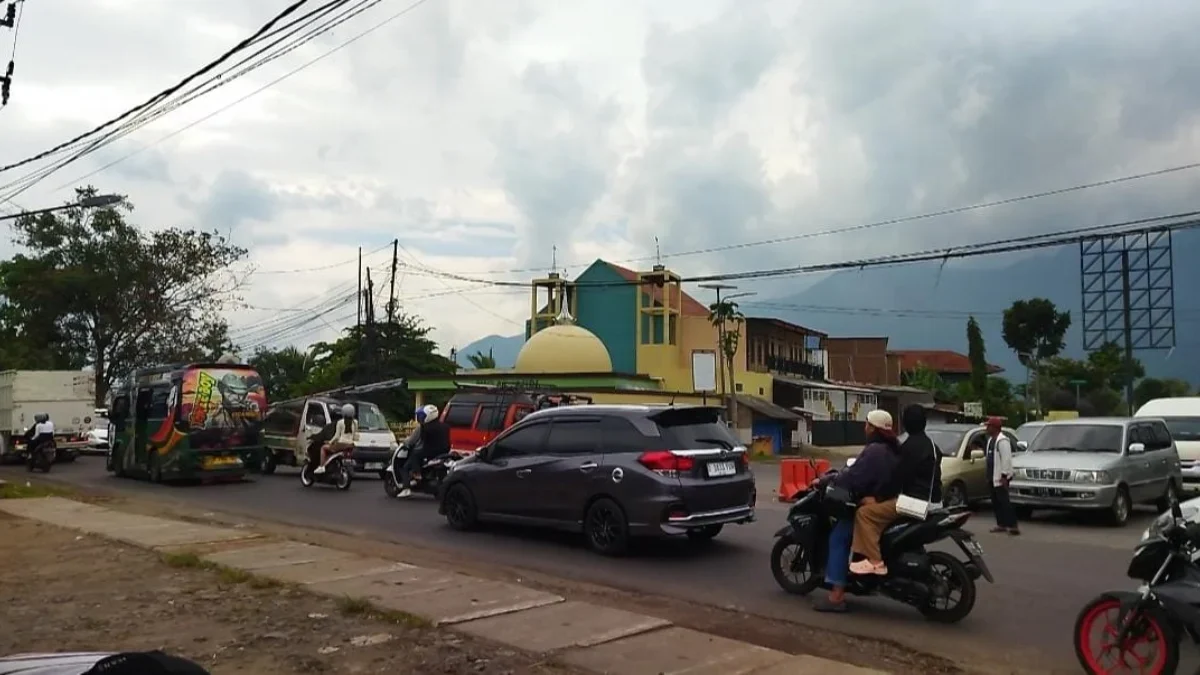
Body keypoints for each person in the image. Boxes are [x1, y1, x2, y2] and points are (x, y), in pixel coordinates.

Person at [814, 409, 900, 613]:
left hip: (871, 503)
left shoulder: (874, 451)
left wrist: (826, 480)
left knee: (838, 538)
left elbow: (853, 478)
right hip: (889, 500)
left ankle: (836, 595)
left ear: (874, 429)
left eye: (867, 424)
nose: (864, 428)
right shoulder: (893, 449)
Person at [849, 404, 942, 576]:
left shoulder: (908, 448)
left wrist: (878, 497)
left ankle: (875, 562)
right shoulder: (932, 446)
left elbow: (897, 479)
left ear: (905, 423)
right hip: (934, 503)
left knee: (865, 514)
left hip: (913, 503)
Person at [397, 404, 449, 498]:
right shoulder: (445, 426)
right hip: (444, 453)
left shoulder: (423, 427)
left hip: (429, 452)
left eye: (422, 416)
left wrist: (404, 442)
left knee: (408, 463)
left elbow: (412, 441)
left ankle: (410, 482)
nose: (420, 418)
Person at [985, 416, 1020, 535]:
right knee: (996, 502)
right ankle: (1001, 524)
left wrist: (1004, 476)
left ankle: (1013, 525)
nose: (987, 428)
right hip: (991, 475)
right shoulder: (991, 440)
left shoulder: (1003, 441)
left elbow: (1006, 459)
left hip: (1000, 477)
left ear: (995, 428)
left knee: (1004, 501)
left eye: (989, 426)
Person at [313, 403, 358, 475]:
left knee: (323, 448)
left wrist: (330, 442)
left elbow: (337, 436)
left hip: (341, 444)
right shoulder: (355, 422)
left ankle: (321, 466)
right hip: (351, 445)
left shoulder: (340, 422)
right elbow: (355, 435)